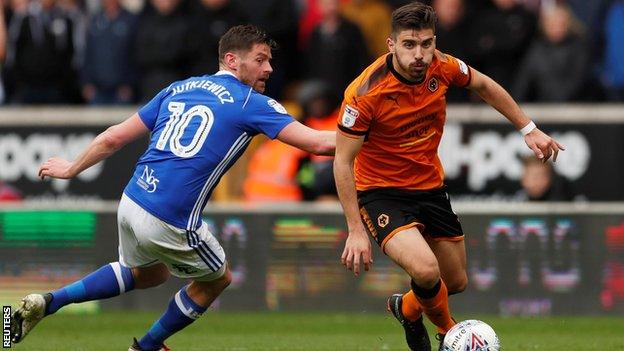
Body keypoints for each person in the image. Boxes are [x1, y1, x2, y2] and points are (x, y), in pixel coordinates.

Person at [10, 24, 335, 351]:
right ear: (233, 60)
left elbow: (113, 138)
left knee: (150, 273)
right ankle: (146, 347)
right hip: (170, 217)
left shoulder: (178, 88)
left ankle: (47, 301)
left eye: (269, 61)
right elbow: (320, 144)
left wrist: (70, 168)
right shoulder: (250, 102)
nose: (269, 68)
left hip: (133, 200)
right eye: (261, 59)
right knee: (217, 278)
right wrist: (373, 134)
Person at [333, 3, 564, 351]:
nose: (420, 54)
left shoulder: (442, 66)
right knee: (427, 272)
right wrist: (354, 229)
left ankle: (406, 309)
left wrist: (527, 128)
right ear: (391, 45)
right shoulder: (364, 94)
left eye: (426, 43)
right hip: (381, 193)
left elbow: (484, 84)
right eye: (410, 44)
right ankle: (452, 335)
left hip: (430, 189)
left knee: (454, 282)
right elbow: (342, 161)